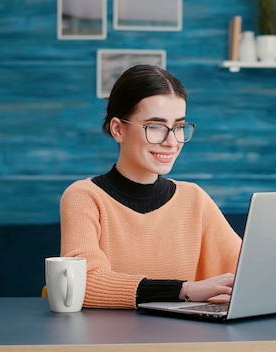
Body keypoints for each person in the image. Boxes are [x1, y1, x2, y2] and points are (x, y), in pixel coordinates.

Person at [59, 64, 242, 309]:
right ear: (117, 129)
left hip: (183, 342)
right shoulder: (84, 197)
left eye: (178, 127)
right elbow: (82, 283)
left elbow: (248, 269)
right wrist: (184, 290)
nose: (171, 142)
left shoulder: (194, 199)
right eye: (155, 127)